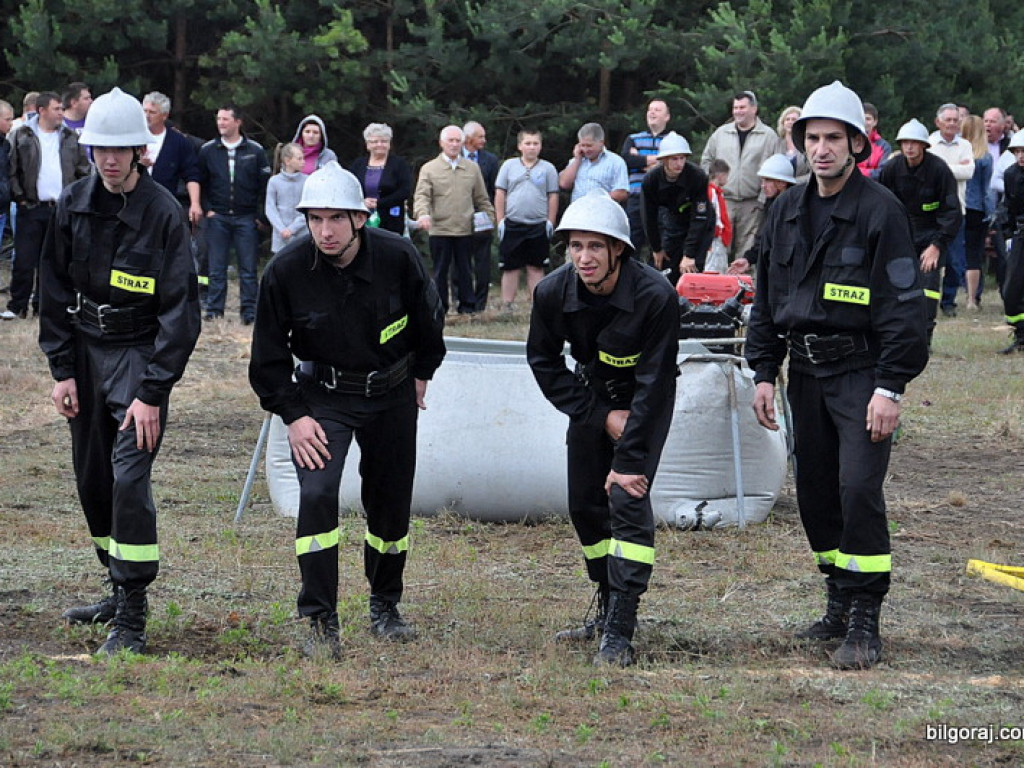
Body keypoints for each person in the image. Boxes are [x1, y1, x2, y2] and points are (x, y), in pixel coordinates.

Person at [745, 81, 929, 670]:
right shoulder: (784, 210)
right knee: (816, 495)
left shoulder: (880, 211)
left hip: (861, 374)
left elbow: (905, 309)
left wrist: (890, 386)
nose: (821, 149)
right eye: (813, 139)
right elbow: (767, 299)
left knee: (858, 489)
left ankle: (865, 618)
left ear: (856, 144)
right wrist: (764, 371)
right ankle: (837, 599)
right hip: (804, 373)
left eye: (833, 138)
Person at [249, 162, 446, 658]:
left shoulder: (398, 257)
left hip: (391, 395)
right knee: (317, 494)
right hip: (322, 399)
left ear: (360, 218)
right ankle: (320, 620)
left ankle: (385, 605)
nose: (325, 231)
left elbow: (429, 320)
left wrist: (422, 371)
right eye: (315, 219)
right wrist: (295, 417)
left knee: (390, 503)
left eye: (337, 218)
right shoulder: (286, 271)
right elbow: (267, 360)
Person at [38, 88, 201, 655]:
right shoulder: (72, 204)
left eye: (119, 149)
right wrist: (62, 369)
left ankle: (132, 613)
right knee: (93, 480)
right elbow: (54, 289)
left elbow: (181, 312)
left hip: (138, 355)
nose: (109, 160)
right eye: (100, 149)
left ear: (139, 151)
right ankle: (114, 584)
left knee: (129, 479)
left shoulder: (163, 212)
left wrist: (153, 392)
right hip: (85, 353)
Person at [527, 191, 679, 668]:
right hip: (592, 398)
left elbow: (656, 382)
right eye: (576, 246)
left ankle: (621, 628)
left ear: (618, 250)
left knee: (626, 500)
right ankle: (607, 601)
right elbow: (544, 362)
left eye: (595, 246)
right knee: (585, 505)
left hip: (645, 402)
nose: (584, 257)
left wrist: (630, 452)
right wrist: (598, 415)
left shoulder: (656, 296)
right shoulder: (552, 292)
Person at [4, 91, 91, 321]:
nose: (61, 113)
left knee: (53, 262)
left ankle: (43, 305)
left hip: (61, 209)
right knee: (24, 260)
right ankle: (17, 306)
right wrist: (20, 198)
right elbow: (12, 169)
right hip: (31, 207)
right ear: (42, 111)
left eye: (62, 108)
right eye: (57, 109)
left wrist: (76, 200)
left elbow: (83, 170)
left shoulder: (70, 137)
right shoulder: (22, 134)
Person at [876, 119, 961, 348]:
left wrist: (937, 245)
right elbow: (881, 206)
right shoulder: (892, 169)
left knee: (928, 289)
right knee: (896, 288)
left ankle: (924, 339)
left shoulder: (939, 170)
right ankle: (896, 337)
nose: (910, 147)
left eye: (914, 142)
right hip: (901, 235)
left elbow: (952, 212)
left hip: (932, 236)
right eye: (905, 142)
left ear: (924, 145)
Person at [196, 105, 271, 324]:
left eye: (225, 119)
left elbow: (265, 186)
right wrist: (207, 208)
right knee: (216, 268)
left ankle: (249, 313)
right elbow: (200, 181)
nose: (221, 123)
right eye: (218, 119)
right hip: (218, 216)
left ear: (238, 122)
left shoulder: (255, 151)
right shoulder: (208, 150)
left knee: (248, 269)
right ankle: (214, 311)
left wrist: (260, 216)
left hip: (246, 217)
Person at [413, 125, 494, 314]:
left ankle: (467, 307)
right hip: (439, 229)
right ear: (441, 143)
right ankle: (439, 307)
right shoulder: (429, 169)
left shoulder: (472, 168)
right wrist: (422, 214)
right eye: (451, 140)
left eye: (458, 141)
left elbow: (482, 198)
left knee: (465, 270)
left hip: (465, 229)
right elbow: (422, 196)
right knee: (440, 271)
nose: (454, 144)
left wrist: (490, 219)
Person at [700, 91, 785, 261]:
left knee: (746, 255)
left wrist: (763, 200)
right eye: (735, 108)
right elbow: (706, 160)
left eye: (742, 107)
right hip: (724, 202)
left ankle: (745, 279)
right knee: (718, 251)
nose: (738, 111)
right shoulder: (720, 134)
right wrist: (713, 190)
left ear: (754, 109)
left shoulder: (768, 136)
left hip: (753, 204)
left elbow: (777, 169)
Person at [493, 129, 559, 311]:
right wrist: (500, 220)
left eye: (535, 143)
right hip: (513, 224)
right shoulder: (509, 166)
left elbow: (553, 195)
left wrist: (550, 221)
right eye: (528, 143)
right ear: (520, 146)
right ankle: (507, 305)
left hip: (538, 225)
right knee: (510, 267)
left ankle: (537, 305)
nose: (532, 147)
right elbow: (500, 193)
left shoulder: (548, 168)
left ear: (540, 146)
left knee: (536, 267)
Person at [639, 131, 713, 284]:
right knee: (666, 268)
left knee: (692, 269)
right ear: (664, 160)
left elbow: (700, 217)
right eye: (674, 159)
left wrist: (689, 254)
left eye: (682, 158)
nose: (679, 163)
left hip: (697, 224)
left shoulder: (697, 176)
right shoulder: (651, 181)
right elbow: (648, 218)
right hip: (671, 221)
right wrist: (656, 248)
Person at [929, 103, 975, 317]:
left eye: (956, 120)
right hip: (932, 211)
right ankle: (928, 300)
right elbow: (929, 173)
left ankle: (948, 302)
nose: (952, 123)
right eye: (948, 119)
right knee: (930, 260)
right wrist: (954, 168)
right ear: (938, 122)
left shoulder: (965, 145)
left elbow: (968, 172)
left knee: (955, 262)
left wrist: (941, 169)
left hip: (957, 211)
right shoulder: (929, 143)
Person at [727, 153, 797, 275]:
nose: (763, 185)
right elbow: (764, 237)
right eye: (763, 180)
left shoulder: (796, 208)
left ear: (782, 183)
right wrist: (748, 259)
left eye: (768, 180)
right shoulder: (771, 205)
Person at [139, 91, 202, 227]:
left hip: (164, 204)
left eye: (152, 112)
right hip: (134, 203)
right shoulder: (132, 137)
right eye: (144, 111)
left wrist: (195, 204)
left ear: (164, 115)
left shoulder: (178, 142)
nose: (147, 116)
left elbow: (191, 175)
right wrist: (136, 164)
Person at [621, 99, 673, 255]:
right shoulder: (633, 138)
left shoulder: (673, 140)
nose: (652, 112)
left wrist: (640, 159)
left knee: (661, 245)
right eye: (650, 109)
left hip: (662, 198)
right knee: (631, 243)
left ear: (667, 117)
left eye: (657, 110)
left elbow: (673, 165)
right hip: (636, 197)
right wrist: (657, 160)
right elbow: (626, 160)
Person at [349, 123, 412, 235]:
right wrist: (362, 201)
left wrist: (379, 203)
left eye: (384, 141)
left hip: (391, 219)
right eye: (375, 142)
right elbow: (349, 188)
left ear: (389, 144)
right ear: (368, 145)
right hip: (361, 216)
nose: (379, 144)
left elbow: (405, 190)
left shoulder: (399, 164)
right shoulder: (358, 164)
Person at [463, 121, 500, 311]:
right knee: (460, 261)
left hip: (482, 216)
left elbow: (495, 190)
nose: (484, 140)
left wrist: (492, 214)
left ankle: (480, 303)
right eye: (480, 136)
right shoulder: (455, 158)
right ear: (469, 138)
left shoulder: (491, 160)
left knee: (482, 261)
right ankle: (464, 301)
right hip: (458, 215)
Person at [960, 115, 994, 310]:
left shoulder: (959, 155)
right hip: (976, 209)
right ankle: (972, 299)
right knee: (974, 255)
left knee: (955, 252)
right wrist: (990, 214)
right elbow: (986, 190)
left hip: (958, 206)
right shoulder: (985, 158)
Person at [996, 132, 1024, 353]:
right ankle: (1021, 335)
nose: (1021, 156)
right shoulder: (1011, 174)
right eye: (1017, 151)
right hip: (1020, 234)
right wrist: (1007, 235)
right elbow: (1008, 207)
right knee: (1011, 289)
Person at [558, 123, 629, 203]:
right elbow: (564, 184)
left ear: (601, 143)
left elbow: (622, 192)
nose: (585, 150)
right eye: (582, 145)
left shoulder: (616, 162)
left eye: (589, 146)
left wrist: (598, 199)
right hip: (578, 208)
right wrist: (577, 160)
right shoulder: (575, 161)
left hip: (603, 208)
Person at [265, 143, 308, 254]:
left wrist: (292, 229)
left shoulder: (307, 181)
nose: (303, 162)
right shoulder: (274, 181)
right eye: (299, 159)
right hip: (281, 237)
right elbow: (270, 208)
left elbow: (308, 208)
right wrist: (282, 229)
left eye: (303, 158)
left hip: (303, 235)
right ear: (287, 161)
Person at [704, 159, 732, 273]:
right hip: (715, 238)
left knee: (721, 267)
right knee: (713, 268)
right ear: (720, 175)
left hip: (719, 237)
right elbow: (713, 215)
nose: (727, 179)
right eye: (726, 175)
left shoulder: (718, 192)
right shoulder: (712, 192)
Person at [857, 103, 892, 179]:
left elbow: (882, 172)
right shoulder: (849, 143)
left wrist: (857, 173)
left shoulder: (884, 147)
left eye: (868, 119)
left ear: (875, 122)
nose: (865, 122)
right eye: (862, 118)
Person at [777, 105, 810, 181]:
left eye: (794, 119)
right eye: (787, 119)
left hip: (802, 185)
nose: (790, 122)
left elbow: (812, 173)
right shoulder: (776, 143)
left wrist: (794, 182)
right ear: (783, 123)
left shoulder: (806, 145)